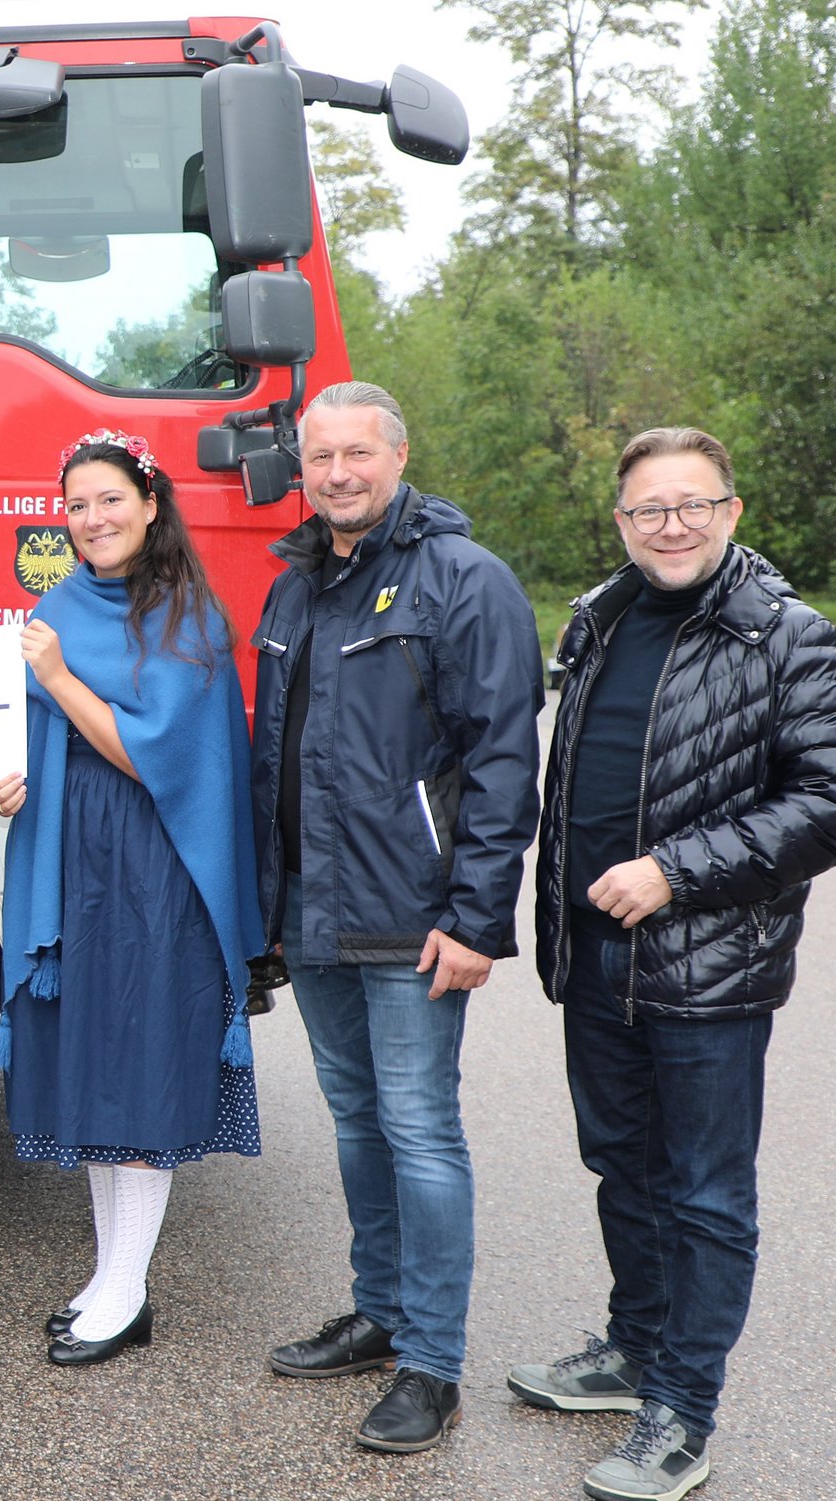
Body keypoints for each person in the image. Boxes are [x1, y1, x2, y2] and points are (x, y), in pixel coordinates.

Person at [512, 427, 836, 1501]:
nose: (669, 525)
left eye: (690, 504)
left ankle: (682, 1409)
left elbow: (833, 804)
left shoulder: (787, 638)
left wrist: (673, 870)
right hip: (593, 959)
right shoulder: (597, 618)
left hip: (709, 967)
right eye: (646, 509)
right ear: (618, 521)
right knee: (622, 1166)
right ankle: (630, 1352)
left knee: (706, 1194)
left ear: (730, 511)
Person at [250, 381, 542, 1450]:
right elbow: (273, 756)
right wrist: (270, 903)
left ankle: (430, 1362)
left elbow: (502, 763)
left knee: (420, 1133)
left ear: (398, 454)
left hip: (413, 916)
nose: (335, 473)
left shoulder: (463, 580)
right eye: (318, 455)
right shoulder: (295, 585)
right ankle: (378, 1310)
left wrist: (475, 919)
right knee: (356, 1122)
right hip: (316, 912)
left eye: (355, 454)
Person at [0, 429, 262, 1368]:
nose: (91, 519)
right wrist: (7, 778)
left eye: (108, 499)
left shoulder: (187, 615)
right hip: (76, 864)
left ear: (150, 504)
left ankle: (129, 1288)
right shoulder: (62, 602)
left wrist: (56, 678)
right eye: (75, 505)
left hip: (153, 869)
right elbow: (34, 731)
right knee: (99, 1057)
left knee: (139, 1062)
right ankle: (111, 1274)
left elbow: (150, 754)